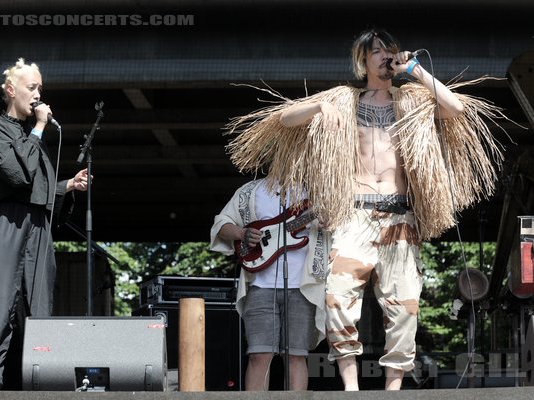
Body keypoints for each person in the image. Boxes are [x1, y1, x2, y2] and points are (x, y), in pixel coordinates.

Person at [225, 29, 505, 390]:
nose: (386, 56)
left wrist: (416, 69)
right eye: (378, 51)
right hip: (353, 216)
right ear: (363, 60)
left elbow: (457, 108)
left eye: (390, 50)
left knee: (404, 308)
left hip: (399, 218)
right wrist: (319, 106)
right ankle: (352, 389)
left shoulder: (411, 100)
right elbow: (283, 121)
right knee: (337, 298)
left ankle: (392, 391)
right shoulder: (344, 100)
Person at [0, 58, 90, 390]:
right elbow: (17, 174)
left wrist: (66, 186)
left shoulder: (34, 137)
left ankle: (40, 382)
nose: (38, 94)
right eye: (31, 87)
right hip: (1, 222)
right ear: (11, 90)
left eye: (40, 88)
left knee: (38, 308)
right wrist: (38, 128)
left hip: (35, 225)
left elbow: (37, 187)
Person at [210, 178, 330, 390]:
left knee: (296, 355)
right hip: (259, 285)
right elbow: (221, 224)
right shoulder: (250, 191)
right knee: (259, 354)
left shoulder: (318, 191)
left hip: (303, 286)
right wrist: (242, 233)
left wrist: (330, 218)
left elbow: (337, 226)